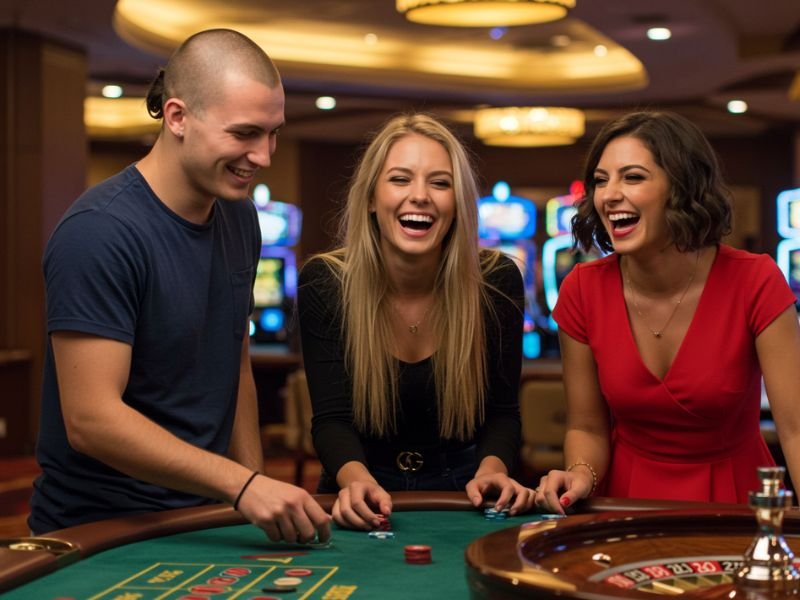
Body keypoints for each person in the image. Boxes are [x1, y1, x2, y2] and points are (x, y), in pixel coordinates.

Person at [28, 28, 331, 544]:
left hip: (204, 517)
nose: (264, 155)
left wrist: (251, 489)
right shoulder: (100, 232)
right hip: (99, 533)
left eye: (272, 132)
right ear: (177, 117)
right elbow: (91, 419)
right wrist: (243, 485)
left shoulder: (240, 216)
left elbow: (233, 366)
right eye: (244, 134)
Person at [535, 111, 800, 513]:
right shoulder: (582, 289)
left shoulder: (755, 280)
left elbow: (796, 430)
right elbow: (586, 426)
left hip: (734, 502)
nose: (608, 195)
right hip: (624, 504)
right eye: (601, 180)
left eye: (633, 177)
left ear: (681, 188)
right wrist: (580, 474)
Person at [297, 113, 535, 530]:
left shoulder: (495, 280)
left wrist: (493, 471)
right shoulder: (327, 281)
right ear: (371, 197)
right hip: (358, 488)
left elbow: (503, 413)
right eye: (400, 179)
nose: (420, 196)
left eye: (440, 183)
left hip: (468, 489)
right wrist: (356, 482)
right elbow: (331, 420)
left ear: (458, 203)